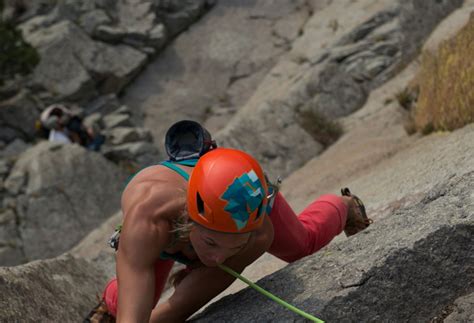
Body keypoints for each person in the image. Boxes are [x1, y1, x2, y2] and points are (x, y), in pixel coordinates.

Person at [85, 124, 372, 323]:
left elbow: (178, 309)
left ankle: (344, 207)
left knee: (302, 244)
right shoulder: (149, 218)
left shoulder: (256, 233)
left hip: (238, 187)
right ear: (191, 220)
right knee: (133, 300)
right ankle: (110, 299)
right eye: (211, 243)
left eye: (232, 246)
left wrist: (224, 246)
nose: (218, 259)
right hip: (171, 227)